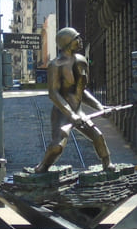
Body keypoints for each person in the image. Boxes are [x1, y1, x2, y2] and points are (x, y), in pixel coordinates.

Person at [34, 27, 113, 172]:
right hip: (62, 112)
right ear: (67, 42)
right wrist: (71, 115)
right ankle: (43, 166)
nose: (80, 40)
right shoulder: (55, 65)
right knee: (58, 145)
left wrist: (100, 107)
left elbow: (82, 91)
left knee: (97, 135)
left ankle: (107, 163)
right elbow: (54, 94)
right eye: (76, 38)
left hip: (78, 111)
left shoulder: (81, 61)